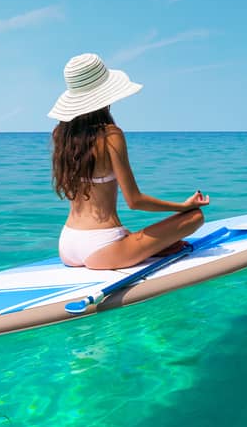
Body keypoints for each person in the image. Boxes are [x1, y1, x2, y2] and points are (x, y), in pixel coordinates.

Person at [48, 53, 209, 269]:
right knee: (195, 217)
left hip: (68, 243)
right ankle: (145, 246)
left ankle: (144, 246)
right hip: (102, 246)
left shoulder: (61, 135)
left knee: (135, 236)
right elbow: (135, 201)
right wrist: (182, 207)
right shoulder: (111, 135)